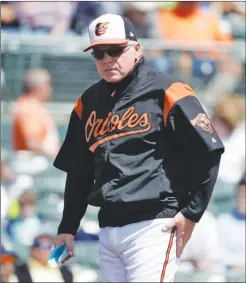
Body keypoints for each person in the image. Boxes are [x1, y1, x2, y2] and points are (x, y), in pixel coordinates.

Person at [53, 13, 225, 282]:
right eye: (99, 53)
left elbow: (208, 151)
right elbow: (79, 172)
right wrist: (68, 227)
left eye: (115, 50)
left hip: (153, 225)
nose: (108, 58)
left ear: (136, 49)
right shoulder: (86, 103)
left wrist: (192, 212)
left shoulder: (167, 90)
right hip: (108, 230)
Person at [12, 69, 60, 158]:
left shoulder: (34, 106)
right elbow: (32, 142)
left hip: (42, 165)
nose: (50, 89)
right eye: (48, 84)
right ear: (39, 87)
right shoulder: (29, 108)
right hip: (34, 167)